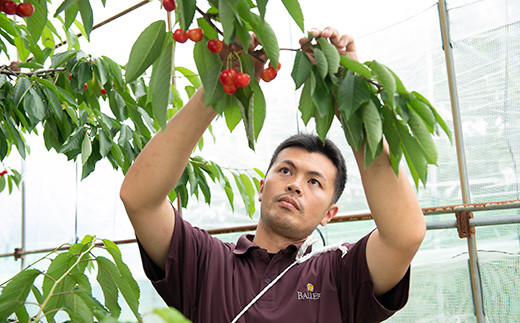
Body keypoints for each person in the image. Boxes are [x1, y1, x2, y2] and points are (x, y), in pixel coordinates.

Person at [120, 27, 426, 322]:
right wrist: (221, 85)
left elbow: (404, 236)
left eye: (314, 182)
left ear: (329, 214)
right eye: (285, 170)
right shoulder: (205, 262)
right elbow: (139, 198)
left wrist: (353, 103)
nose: (295, 185)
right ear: (262, 188)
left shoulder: (340, 273)